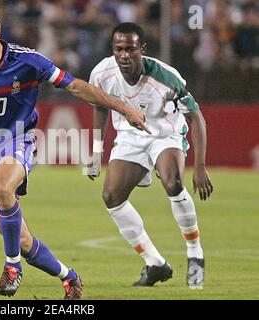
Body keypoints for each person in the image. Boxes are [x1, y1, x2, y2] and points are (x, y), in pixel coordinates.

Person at [0, 8, 149, 299]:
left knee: (1, 187)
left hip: (15, 140)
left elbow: (77, 88)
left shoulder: (28, 61)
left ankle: (12, 267)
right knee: (21, 239)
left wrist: (125, 108)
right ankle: (69, 277)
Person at [85, 23, 213, 288]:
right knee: (111, 197)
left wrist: (200, 165)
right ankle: (155, 263)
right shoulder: (102, 73)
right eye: (118, 49)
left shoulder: (166, 77)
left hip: (165, 133)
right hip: (131, 137)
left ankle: (195, 254)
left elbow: (196, 116)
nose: (124, 55)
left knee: (173, 183)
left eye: (130, 49)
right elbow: (100, 107)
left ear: (141, 49)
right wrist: (96, 152)